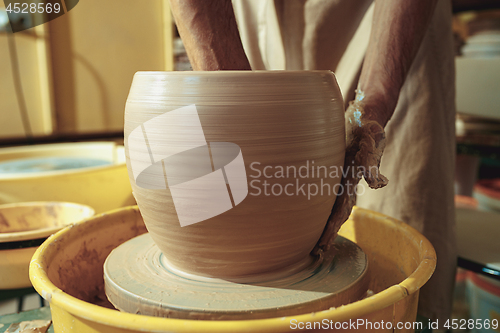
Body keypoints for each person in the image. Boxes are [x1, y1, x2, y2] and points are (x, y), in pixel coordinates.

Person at [169, 0, 456, 325]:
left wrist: (372, 105)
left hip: (387, 19)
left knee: (394, 252)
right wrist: (230, 90)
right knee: (242, 205)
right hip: (248, 13)